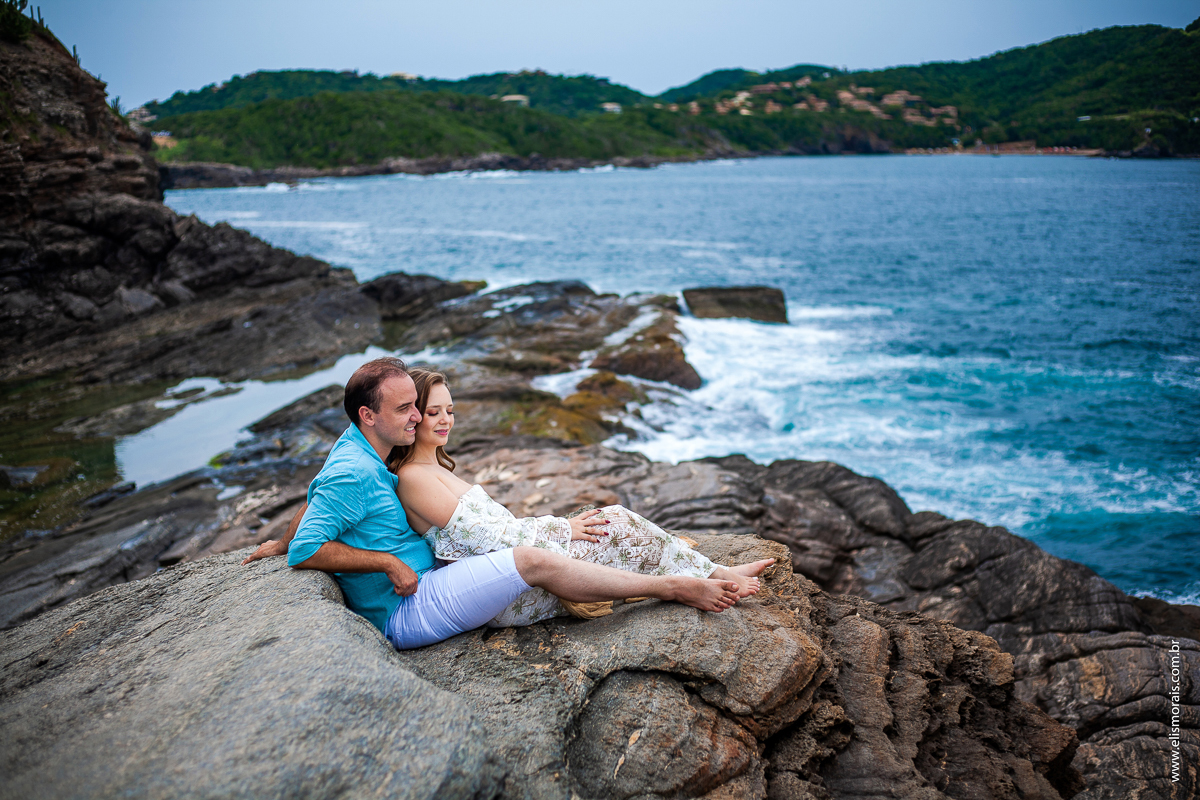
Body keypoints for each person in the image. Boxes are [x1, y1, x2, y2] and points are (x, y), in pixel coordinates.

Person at [242, 357, 744, 650]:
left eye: (420, 406)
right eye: (408, 408)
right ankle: (675, 586)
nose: (418, 417)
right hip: (404, 609)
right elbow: (307, 549)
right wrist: (386, 562)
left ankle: (703, 572)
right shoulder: (357, 468)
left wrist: (277, 540)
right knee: (534, 559)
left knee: (602, 529)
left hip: (430, 582)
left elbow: (316, 499)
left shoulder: (359, 448)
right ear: (367, 415)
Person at [391, 367, 775, 626]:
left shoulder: (436, 469)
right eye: (433, 412)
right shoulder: (413, 477)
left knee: (612, 523)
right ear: (413, 416)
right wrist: (563, 529)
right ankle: (704, 578)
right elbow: (484, 538)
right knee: (615, 524)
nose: (446, 420)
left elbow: (497, 532)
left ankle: (711, 572)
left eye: (450, 410)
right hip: (507, 593)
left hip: (518, 572)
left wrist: (562, 531)